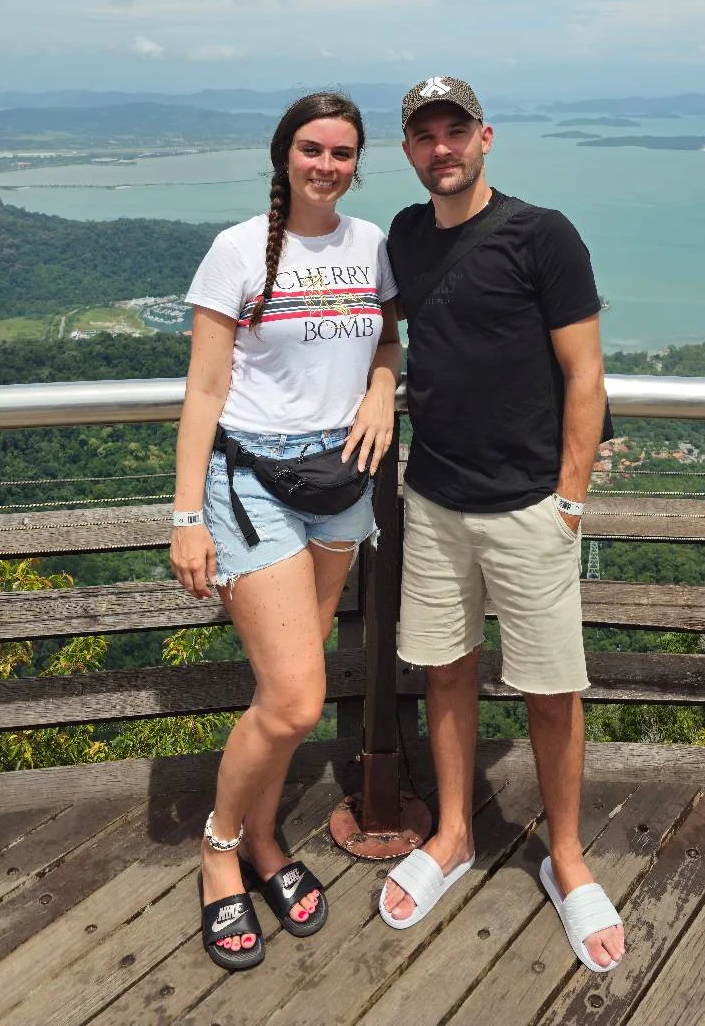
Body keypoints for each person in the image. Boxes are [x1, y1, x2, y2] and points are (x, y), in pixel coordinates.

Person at [379, 75, 623, 974]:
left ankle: (567, 857)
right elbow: (378, 328)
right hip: (436, 501)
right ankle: (452, 835)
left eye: (455, 131)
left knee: (552, 690)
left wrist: (568, 499)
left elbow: (585, 372)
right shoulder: (406, 235)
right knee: (445, 671)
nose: (441, 149)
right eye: (423, 137)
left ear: (487, 137)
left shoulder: (541, 235)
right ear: (408, 152)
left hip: (529, 507)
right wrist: (376, 388)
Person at [172, 91, 401, 973]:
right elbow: (202, 389)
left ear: (356, 164)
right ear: (284, 156)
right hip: (253, 483)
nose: (327, 166)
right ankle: (219, 849)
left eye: (342, 154)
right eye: (312, 149)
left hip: (343, 477)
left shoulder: (372, 244)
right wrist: (187, 515)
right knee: (299, 696)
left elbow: (386, 343)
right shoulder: (235, 250)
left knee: (286, 693)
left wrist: (384, 385)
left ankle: (265, 840)